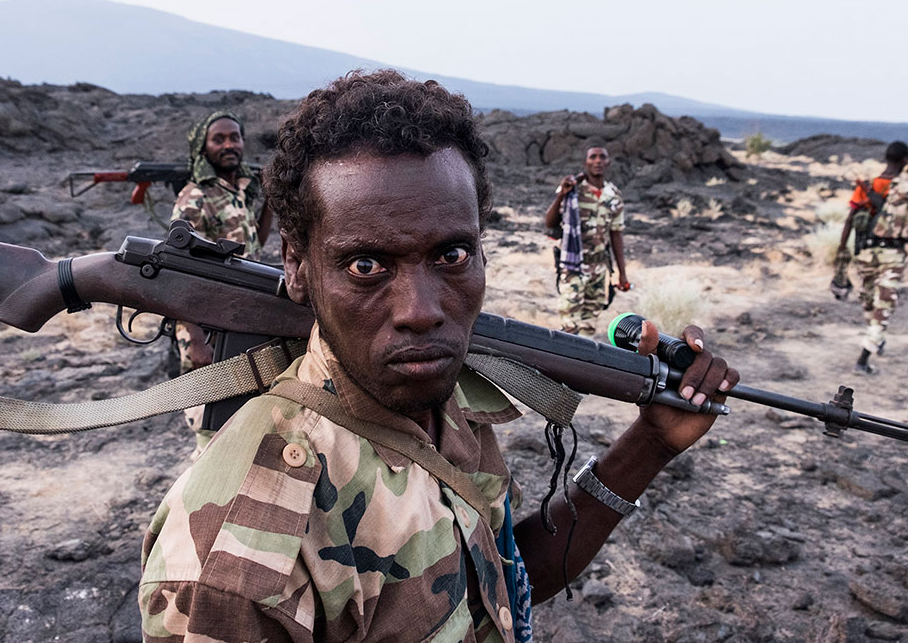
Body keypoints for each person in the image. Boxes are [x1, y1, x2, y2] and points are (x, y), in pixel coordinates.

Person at [139, 70, 738, 642]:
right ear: (296, 264)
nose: (422, 310)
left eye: (451, 255)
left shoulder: (447, 396)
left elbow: (501, 583)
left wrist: (650, 444)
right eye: (366, 266)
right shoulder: (233, 552)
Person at [171, 110, 273, 451]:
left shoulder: (239, 190)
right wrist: (196, 339)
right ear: (204, 147)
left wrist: (268, 202)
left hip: (238, 315)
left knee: (240, 411)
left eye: (235, 137)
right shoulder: (195, 197)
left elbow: (253, 243)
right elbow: (178, 269)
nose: (229, 145)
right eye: (219, 139)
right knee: (208, 421)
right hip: (204, 321)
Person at [837, 141, 908, 374]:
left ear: (886, 158)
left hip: (865, 254)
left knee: (870, 303)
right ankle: (869, 349)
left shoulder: (870, 185)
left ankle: (869, 348)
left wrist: (841, 250)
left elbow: (850, 218)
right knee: (881, 306)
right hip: (893, 255)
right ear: (905, 159)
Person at [543, 146, 630, 339]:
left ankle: (582, 366)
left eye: (602, 157)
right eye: (593, 157)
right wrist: (561, 194)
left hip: (599, 269)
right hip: (573, 266)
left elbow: (616, 234)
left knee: (589, 325)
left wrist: (622, 274)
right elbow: (549, 222)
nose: (598, 160)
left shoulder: (613, 195)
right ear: (586, 163)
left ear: (608, 163)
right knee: (569, 325)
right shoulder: (572, 189)